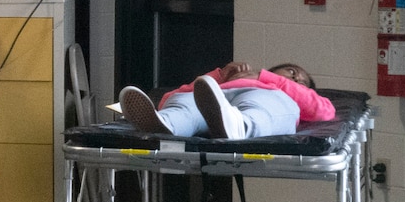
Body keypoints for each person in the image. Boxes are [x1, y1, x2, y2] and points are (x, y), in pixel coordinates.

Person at [120, 62, 334, 139]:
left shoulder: (284, 91)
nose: (296, 78)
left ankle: (238, 125)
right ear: (273, 67)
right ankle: (166, 124)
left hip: (264, 97)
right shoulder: (225, 80)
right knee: (184, 106)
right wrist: (219, 77)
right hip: (219, 96)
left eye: (302, 81)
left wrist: (265, 78)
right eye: (292, 71)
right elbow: (169, 97)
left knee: (261, 111)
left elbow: (324, 111)